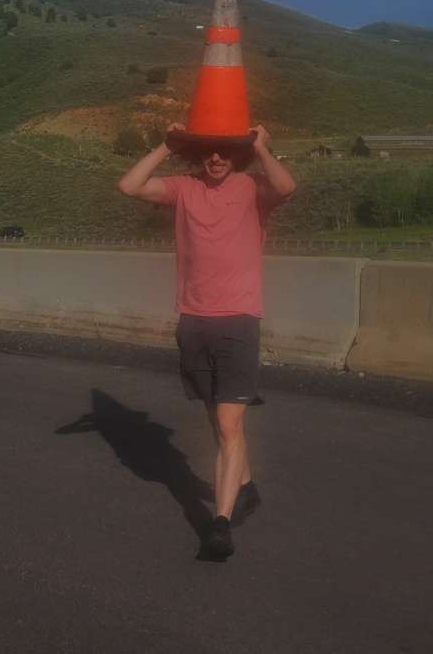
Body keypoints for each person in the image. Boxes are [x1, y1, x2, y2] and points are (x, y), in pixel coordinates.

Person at [117, 122, 296, 559]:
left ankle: (220, 523)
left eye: (225, 152)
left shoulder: (252, 189)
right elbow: (129, 185)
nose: (216, 159)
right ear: (198, 154)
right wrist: (166, 145)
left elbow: (286, 187)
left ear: (238, 155)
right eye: (208, 152)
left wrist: (261, 147)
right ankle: (246, 487)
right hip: (194, 319)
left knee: (230, 424)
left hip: (238, 319)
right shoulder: (183, 188)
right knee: (219, 420)